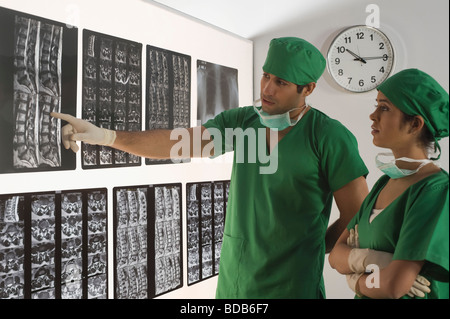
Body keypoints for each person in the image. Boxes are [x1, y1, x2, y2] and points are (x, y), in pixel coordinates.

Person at [52, 37, 369, 299]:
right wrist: (107, 137)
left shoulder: (328, 137)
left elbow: (357, 214)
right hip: (235, 283)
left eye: (281, 82)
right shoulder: (244, 123)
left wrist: (311, 246)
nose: (267, 89)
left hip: (293, 286)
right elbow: (177, 143)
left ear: (308, 89)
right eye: (266, 76)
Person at [329, 68, 449, 299]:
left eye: (384, 108)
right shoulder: (384, 183)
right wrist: (371, 261)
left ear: (415, 124)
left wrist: (355, 277)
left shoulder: (435, 191)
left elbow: (393, 286)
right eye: (376, 106)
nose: (373, 116)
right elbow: (336, 255)